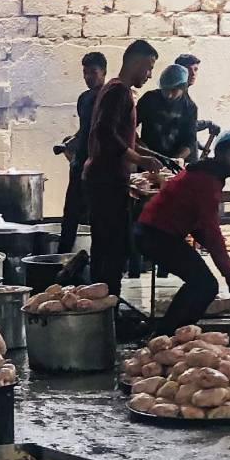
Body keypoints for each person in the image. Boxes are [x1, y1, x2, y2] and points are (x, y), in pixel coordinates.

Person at [135, 132, 230, 334]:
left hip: (155, 233)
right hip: (156, 234)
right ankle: (168, 336)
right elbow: (211, 230)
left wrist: (226, 270)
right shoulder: (206, 180)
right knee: (205, 285)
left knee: (201, 283)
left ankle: (169, 334)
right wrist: (227, 272)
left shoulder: (206, 173)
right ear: (220, 154)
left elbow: (201, 227)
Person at [83, 40, 163, 297]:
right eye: (149, 68)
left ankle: (103, 303)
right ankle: (108, 306)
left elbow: (123, 135)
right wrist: (139, 161)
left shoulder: (114, 90)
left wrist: (150, 155)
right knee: (111, 249)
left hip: (105, 179)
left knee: (106, 247)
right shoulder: (118, 91)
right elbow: (106, 133)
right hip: (106, 181)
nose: (150, 75)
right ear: (136, 62)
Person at [58, 51, 107, 254]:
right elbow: (85, 129)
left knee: (98, 218)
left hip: (99, 167)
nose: (88, 77)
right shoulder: (84, 98)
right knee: (70, 214)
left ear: (104, 72)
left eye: (93, 72)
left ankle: (97, 263)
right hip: (80, 164)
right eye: (85, 73)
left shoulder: (109, 97)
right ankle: (61, 260)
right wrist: (72, 141)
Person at [136, 64, 194, 163]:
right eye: (165, 89)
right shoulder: (149, 99)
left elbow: (189, 142)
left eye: (174, 90)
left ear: (183, 87)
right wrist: (141, 147)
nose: (169, 95)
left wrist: (176, 159)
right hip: (146, 158)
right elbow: (129, 125)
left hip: (172, 161)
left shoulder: (190, 108)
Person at [173, 54, 220, 161]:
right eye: (189, 70)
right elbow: (179, 125)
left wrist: (197, 144)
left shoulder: (187, 99)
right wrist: (208, 124)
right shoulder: (174, 97)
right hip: (176, 158)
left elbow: (186, 130)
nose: (193, 74)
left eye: (196, 70)